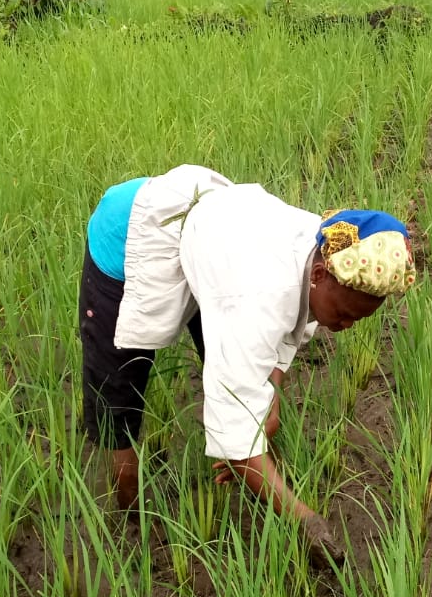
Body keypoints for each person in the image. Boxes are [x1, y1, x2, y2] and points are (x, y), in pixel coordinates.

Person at [77, 164, 415, 564]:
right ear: (319, 274)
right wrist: (305, 520)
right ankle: (131, 517)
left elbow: (286, 330)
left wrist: (267, 400)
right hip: (129, 234)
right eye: (343, 314)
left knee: (242, 389)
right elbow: (263, 329)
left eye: (357, 320)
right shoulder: (260, 296)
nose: (343, 327)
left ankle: (244, 468)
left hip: (218, 246)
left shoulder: (328, 247)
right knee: (118, 393)